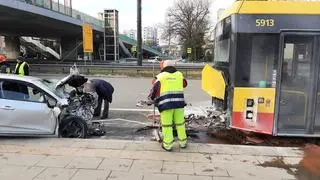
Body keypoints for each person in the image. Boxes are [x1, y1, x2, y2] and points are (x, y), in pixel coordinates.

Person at [148, 60, 188, 151]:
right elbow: (184, 84)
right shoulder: (179, 74)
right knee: (180, 124)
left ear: (163, 67)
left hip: (166, 105)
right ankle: (183, 143)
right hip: (179, 104)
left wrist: (151, 98)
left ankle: (168, 145)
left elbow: (154, 90)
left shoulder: (160, 76)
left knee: (167, 125)